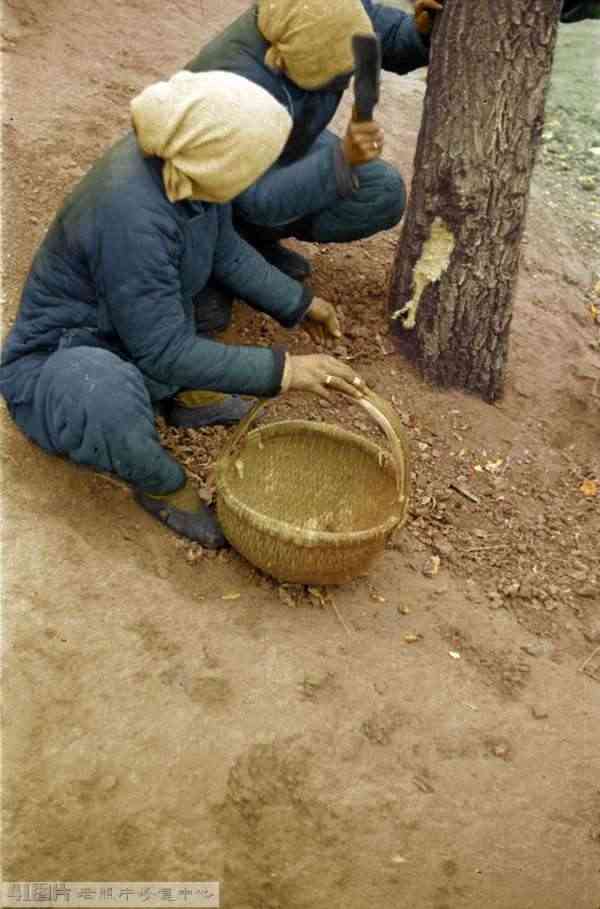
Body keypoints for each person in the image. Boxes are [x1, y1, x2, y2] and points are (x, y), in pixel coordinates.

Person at [0, 71, 367, 548]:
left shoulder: (187, 169)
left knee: (189, 309)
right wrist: (287, 371)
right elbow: (163, 350)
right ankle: (160, 484)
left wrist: (298, 303)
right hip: (62, 358)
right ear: (219, 156)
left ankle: (180, 397)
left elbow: (224, 250)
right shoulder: (133, 214)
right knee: (103, 394)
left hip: (125, 329)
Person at [184, 0, 445, 281]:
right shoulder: (236, 83)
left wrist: (420, 32)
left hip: (287, 140)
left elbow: (385, 34)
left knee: (381, 191)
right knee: (209, 306)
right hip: (209, 184)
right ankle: (216, 257)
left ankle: (249, 241)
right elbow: (253, 199)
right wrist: (338, 162)